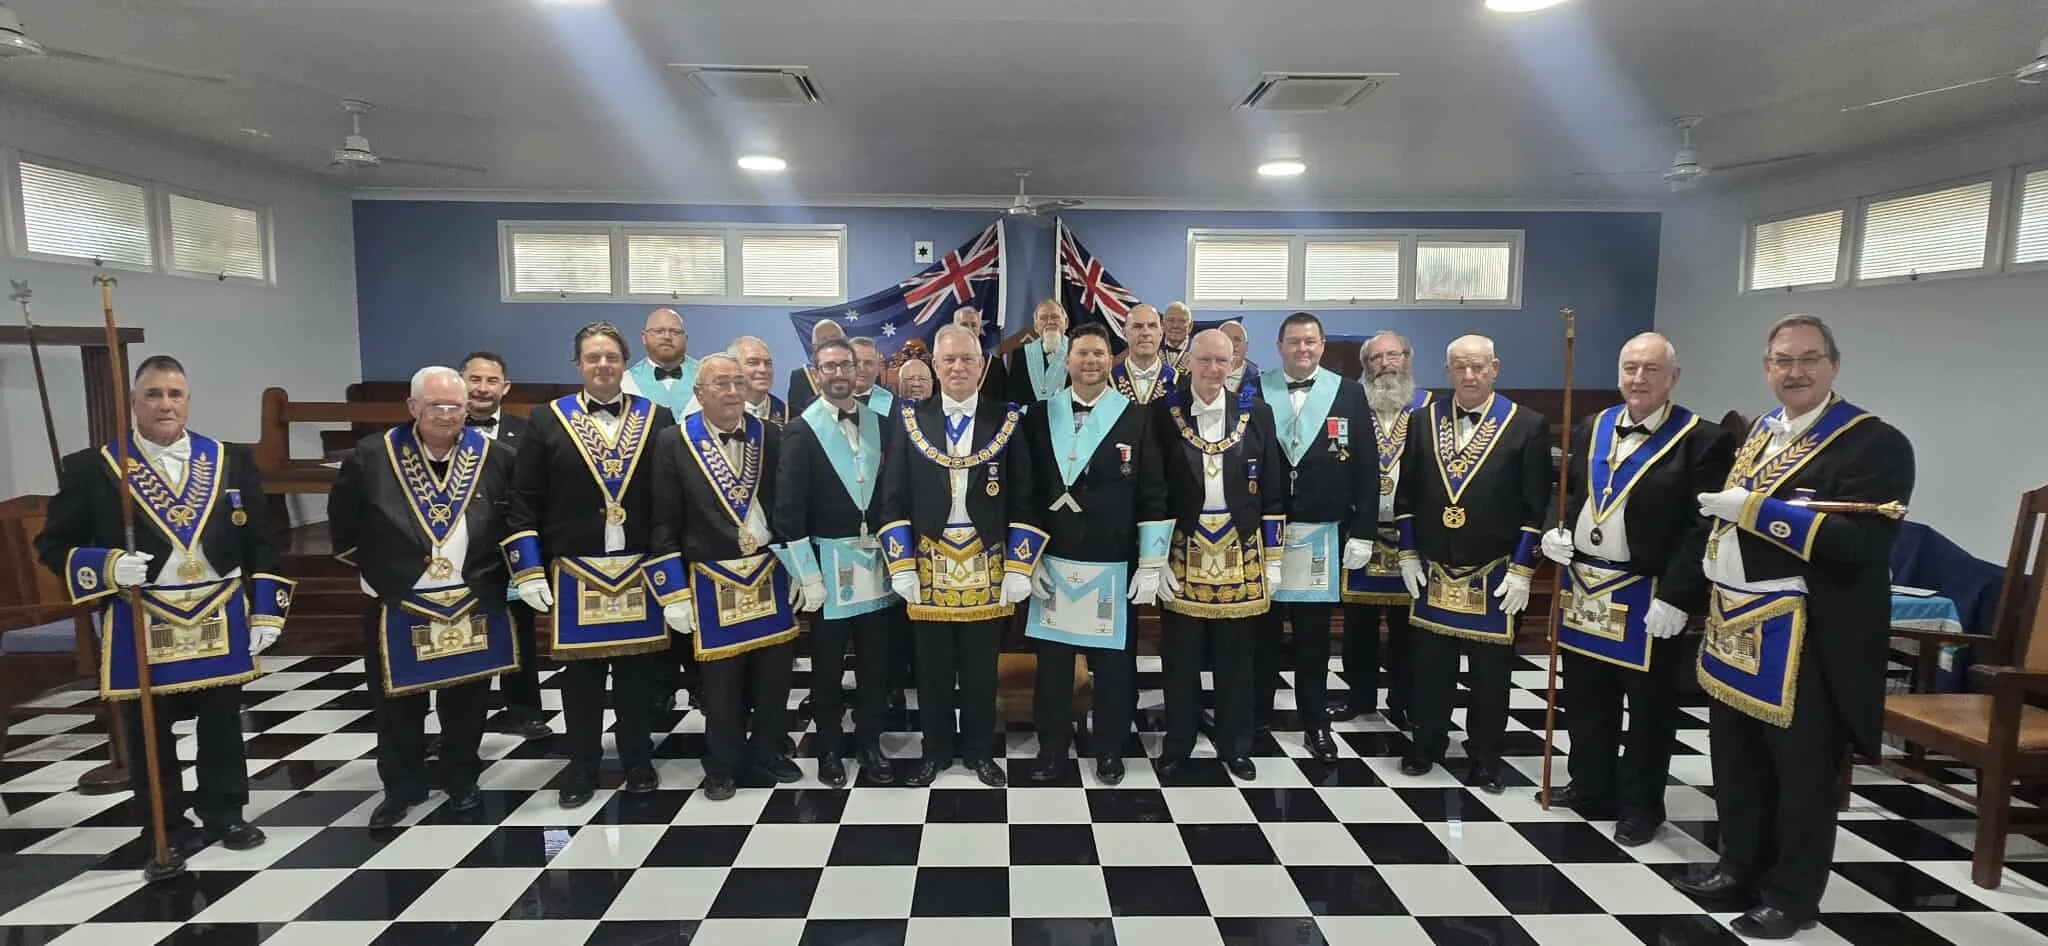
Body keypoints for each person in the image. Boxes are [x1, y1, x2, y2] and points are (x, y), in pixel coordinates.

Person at [1670, 315, 1913, 939]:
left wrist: (1758, 511)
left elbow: (1859, 542)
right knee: (1735, 762)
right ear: (1766, 367)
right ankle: (1739, 867)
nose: (1794, 372)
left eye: (1807, 359)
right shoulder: (1761, 433)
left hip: (1803, 634)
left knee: (1802, 777)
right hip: (1734, 623)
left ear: (1834, 364)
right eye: (1781, 360)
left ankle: (1793, 896)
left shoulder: (1872, 442)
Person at [36, 354, 289, 858]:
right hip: (140, 617)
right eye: (152, 394)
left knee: (221, 724)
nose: (165, 404)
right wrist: (107, 566)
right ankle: (162, 821)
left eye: (174, 394)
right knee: (149, 731)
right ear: (134, 402)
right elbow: (53, 545)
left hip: (218, 612)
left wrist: (266, 609)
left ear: (188, 401)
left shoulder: (229, 459)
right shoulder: (95, 467)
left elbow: (262, 540)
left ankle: (225, 814)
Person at [1535, 333, 1734, 846]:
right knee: (1585, 698)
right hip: (1587, 585)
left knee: (1647, 710)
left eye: (1650, 370)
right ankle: (1592, 785)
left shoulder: (1702, 439)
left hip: (1649, 593)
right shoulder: (1592, 425)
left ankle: (1642, 805)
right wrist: (1557, 533)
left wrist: (1678, 595)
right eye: (1630, 368)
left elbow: (1702, 526)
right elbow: (1575, 493)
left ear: (1673, 378)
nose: (1638, 379)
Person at [329, 365, 519, 828]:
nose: (448, 415)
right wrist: (382, 575)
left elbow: (510, 519)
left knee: (468, 702)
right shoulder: (372, 456)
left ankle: (461, 778)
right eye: (437, 405)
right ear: (413, 407)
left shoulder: (496, 456)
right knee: (397, 704)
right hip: (399, 599)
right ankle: (402, 786)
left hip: (471, 596)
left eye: (457, 406)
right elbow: (343, 527)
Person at [504, 321, 678, 808]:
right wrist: (528, 568)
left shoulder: (657, 416)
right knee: (579, 677)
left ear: (626, 364)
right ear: (577, 364)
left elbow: (669, 498)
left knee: (638, 674)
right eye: (593, 357)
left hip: (639, 567)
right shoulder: (547, 419)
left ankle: (637, 757)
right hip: (575, 568)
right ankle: (581, 763)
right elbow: (524, 499)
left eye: (611, 357)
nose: (603, 365)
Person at [879, 323, 1045, 788]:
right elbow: (892, 497)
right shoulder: (909, 419)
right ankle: (935, 753)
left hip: (988, 565)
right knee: (930, 671)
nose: (957, 367)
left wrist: (1019, 566)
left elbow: (1024, 499)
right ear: (934, 364)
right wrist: (901, 563)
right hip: (928, 563)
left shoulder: (1008, 419)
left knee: (979, 670)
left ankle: (977, 753)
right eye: (948, 359)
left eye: (966, 359)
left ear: (982, 365)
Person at [1394, 334, 1550, 794]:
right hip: (1435, 569)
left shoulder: (1527, 425)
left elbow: (1535, 505)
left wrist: (1523, 570)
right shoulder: (1422, 421)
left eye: (1478, 367)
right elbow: (1406, 494)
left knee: (1490, 677)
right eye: (1460, 367)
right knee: (1429, 670)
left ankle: (1485, 757)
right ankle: (1427, 743)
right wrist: (1406, 551)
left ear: (1495, 368)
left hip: (1495, 571)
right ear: (1447, 371)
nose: (1469, 375)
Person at [1020, 323, 1168, 784]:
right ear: (1067, 360)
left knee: (1115, 669)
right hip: (1054, 560)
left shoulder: (1137, 418)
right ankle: (1049, 749)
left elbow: (1155, 493)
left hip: (1113, 562)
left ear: (1112, 360)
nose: (1090, 361)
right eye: (1082, 353)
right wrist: (1027, 559)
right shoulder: (1039, 416)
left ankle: (1110, 749)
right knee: (1053, 669)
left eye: (1099, 354)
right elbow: (1025, 493)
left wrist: (1151, 562)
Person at [649, 354, 802, 800]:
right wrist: (672, 592)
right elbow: (663, 520)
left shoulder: (770, 435)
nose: (734, 391)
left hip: (769, 572)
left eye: (739, 382)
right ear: (699, 393)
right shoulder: (673, 442)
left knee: (775, 677)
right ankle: (722, 762)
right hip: (710, 580)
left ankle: (768, 752)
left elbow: (787, 508)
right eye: (722, 384)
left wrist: (799, 568)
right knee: (720, 684)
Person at [1154, 329, 1284, 781]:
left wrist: (1275, 557)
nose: (1213, 370)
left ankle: (1235, 744)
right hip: (1181, 552)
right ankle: (1178, 744)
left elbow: (1273, 490)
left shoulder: (1257, 414)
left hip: (1241, 550)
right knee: (1181, 661)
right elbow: (1153, 492)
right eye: (1205, 360)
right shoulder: (1162, 414)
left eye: (1222, 362)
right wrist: (1151, 561)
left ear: (1235, 364)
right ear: (1188, 361)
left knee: (1236, 661)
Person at [771, 338, 902, 788]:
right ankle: (828, 747)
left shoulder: (882, 424)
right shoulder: (800, 431)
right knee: (826, 667)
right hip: (826, 569)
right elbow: (787, 513)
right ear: (816, 372)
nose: (840, 373)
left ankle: (870, 742)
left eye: (845, 364)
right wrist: (806, 575)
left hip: (877, 565)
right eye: (829, 367)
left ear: (858, 369)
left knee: (875, 664)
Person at [1254, 313, 1374, 762]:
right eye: (1294, 342)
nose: (1302, 350)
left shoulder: (1349, 393)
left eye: (1310, 342)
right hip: (1265, 530)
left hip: (1323, 532)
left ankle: (1314, 722)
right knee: (1260, 633)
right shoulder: (1254, 389)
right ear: (1279, 345)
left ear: (1322, 345)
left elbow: (1366, 464)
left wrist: (1362, 531)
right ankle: (1255, 716)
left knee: (1314, 638)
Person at [1335, 331, 1431, 729]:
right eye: (1377, 358)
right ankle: (1359, 697)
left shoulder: (1429, 409)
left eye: (1394, 355)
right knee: (1358, 627)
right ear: (1366, 365)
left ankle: (1404, 701)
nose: (1386, 364)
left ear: (1407, 358)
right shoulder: (1354, 404)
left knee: (1409, 630)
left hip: (1412, 536)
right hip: (1362, 532)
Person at [459, 351, 550, 740]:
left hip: (509, 545)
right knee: (460, 636)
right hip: (457, 552)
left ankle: (524, 709)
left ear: (505, 387)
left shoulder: (525, 431)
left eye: (491, 381)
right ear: (461, 381)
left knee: (520, 631)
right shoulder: (441, 428)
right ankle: (461, 722)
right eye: (474, 379)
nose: (482, 388)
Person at [620, 307, 696, 417]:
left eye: (675, 332)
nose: (667, 337)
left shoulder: (708, 377)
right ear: (644, 337)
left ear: (686, 338)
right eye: (659, 331)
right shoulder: (624, 382)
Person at [1006, 299, 1071, 406]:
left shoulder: (1079, 352)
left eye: (1055, 317)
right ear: (1036, 327)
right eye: (1043, 318)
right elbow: (1015, 399)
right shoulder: (1021, 355)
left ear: (1066, 323)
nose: (1050, 322)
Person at [1110, 303, 1176, 404]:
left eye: (1152, 326)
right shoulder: (1108, 382)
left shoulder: (1179, 381)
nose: (1145, 333)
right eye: (1137, 326)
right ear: (1124, 333)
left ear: (1161, 333)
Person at [788, 320, 847, 414]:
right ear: (814, 347)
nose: (829, 344)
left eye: (834, 338)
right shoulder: (801, 376)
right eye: (823, 340)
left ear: (845, 341)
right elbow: (795, 414)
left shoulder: (857, 369)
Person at [730, 335, 789, 426]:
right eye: (753, 363)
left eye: (768, 363)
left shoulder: (791, 417)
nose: (763, 369)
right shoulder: (713, 416)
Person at [850, 337, 896, 415]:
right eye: (855, 362)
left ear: (878, 369)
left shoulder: (894, 405)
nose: (861, 368)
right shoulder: (828, 400)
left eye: (868, 363)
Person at [1219, 321, 1261, 396]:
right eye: (1226, 339)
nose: (1232, 344)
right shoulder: (1205, 376)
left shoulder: (1259, 379)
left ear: (1246, 345)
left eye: (1237, 339)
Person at [1160, 301, 1195, 371]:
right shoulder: (1153, 348)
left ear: (1190, 326)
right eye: (1170, 320)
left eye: (1182, 321)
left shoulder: (1198, 350)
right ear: (1162, 325)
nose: (1175, 325)